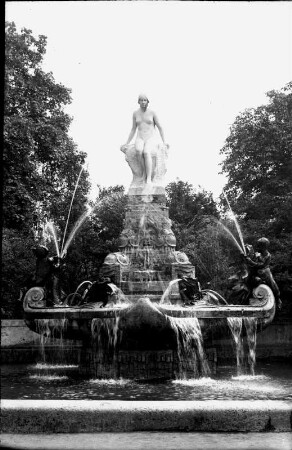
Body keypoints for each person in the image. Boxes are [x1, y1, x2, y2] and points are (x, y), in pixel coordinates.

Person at [121, 94, 169, 185]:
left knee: (146, 152)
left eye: (145, 100)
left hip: (151, 137)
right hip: (140, 137)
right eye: (141, 100)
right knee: (139, 150)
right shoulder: (135, 113)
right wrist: (126, 143)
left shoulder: (152, 113)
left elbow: (160, 127)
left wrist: (164, 142)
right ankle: (143, 174)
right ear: (138, 101)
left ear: (148, 101)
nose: (143, 102)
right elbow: (133, 129)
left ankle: (149, 178)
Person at [244, 237, 282, 310]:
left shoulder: (268, 255)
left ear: (264, 246)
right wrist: (247, 249)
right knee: (248, 282)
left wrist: (251, 261)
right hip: (255, 272)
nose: (257, 247)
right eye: (258, 245)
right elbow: (252, 258)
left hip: (265, 272)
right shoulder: (257, 253)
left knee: (273, 285)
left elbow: (262, 265)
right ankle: (247, 299)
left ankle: (278, 299)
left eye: (259, 245)